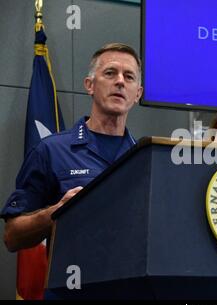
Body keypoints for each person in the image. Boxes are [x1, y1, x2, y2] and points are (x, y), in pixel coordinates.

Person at [2, 43, 143, 252]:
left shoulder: (143, 159)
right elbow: (12, 237)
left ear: (138, 94)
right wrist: (58, 212)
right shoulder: (50, 151)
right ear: (90, 85)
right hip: (73, 282)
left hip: (130, 283)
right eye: (110, 73)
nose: (120, 81)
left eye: (129, 76)